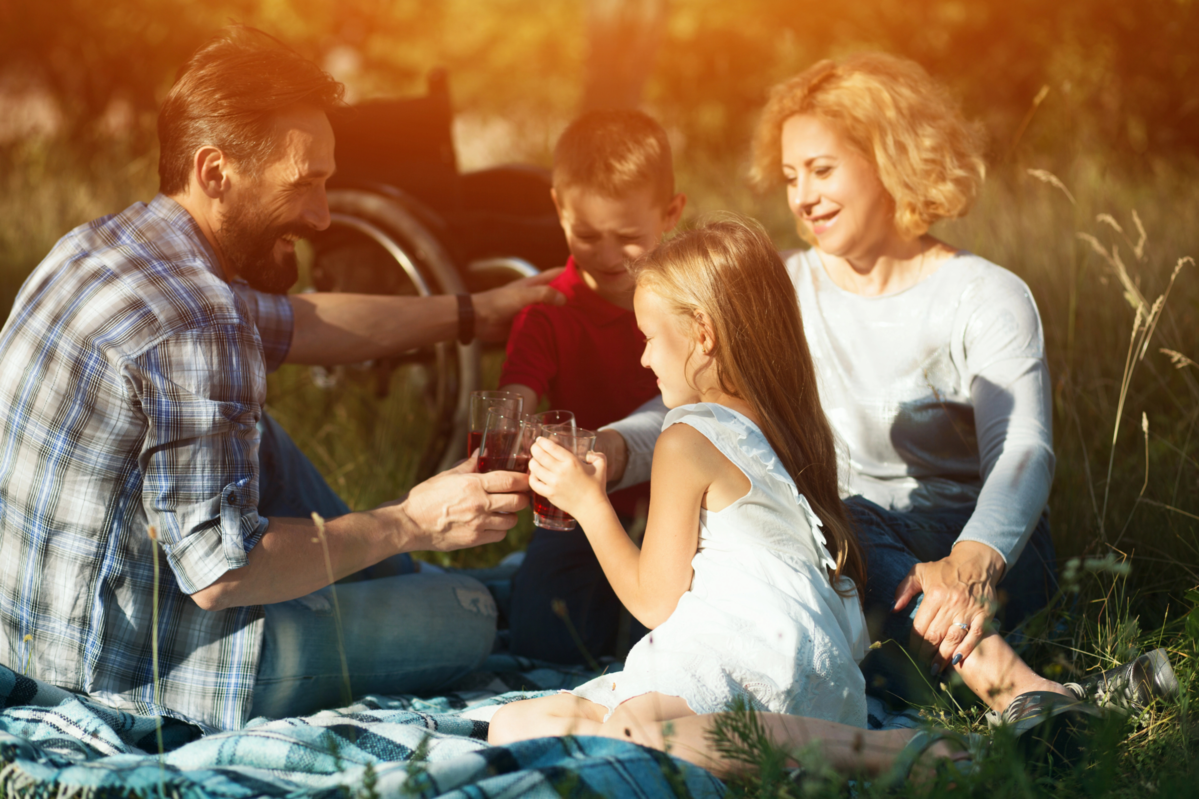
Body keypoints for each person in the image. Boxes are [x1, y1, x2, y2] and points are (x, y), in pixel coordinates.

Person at [0, 27, 564, 732]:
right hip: (124, 664)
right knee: (472, 621)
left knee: (257, 433)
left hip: (30, 621)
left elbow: (301, 322)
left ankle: (398, 578)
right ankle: (431, 586)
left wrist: (473, 313)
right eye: (307, 184)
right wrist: (411, 521)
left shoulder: (104, 246)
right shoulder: (196, 321)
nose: (325, 217)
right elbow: (220, 575)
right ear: (215, 172)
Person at [594, 53, 1176, 722]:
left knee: (838, 525)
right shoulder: (785, 288)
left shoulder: (983, 294)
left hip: (977, 556)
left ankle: (1007, 683)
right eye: (789, 176)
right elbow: (706, 410)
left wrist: (970, 559)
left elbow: (1023, 452)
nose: (800, 196)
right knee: (834, 526)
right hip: (855, 558)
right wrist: (613, 447)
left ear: (892, 159)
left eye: (820, 169)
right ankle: (1047, 694)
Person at [490, 216, 876, 746]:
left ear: (702, 332)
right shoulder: (781, 421)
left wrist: (590, 505)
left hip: (747, 659)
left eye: (649, 336)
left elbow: (655, 603)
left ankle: (877, 753)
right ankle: (806, 743)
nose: (644, 356)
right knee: (522, 721)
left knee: (624, 729)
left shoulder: (689, 438)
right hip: (817, 671)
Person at [499, 110, 686, 663]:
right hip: (583, 505)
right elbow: (515, 403)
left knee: (663, 641)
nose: (607, 256)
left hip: (681, 506)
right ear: (559, 208)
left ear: (672, 213)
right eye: (586, 235)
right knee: (544, 642)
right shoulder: (548, 313)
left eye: (629, 237)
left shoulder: (688, 303)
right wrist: (516, 431)